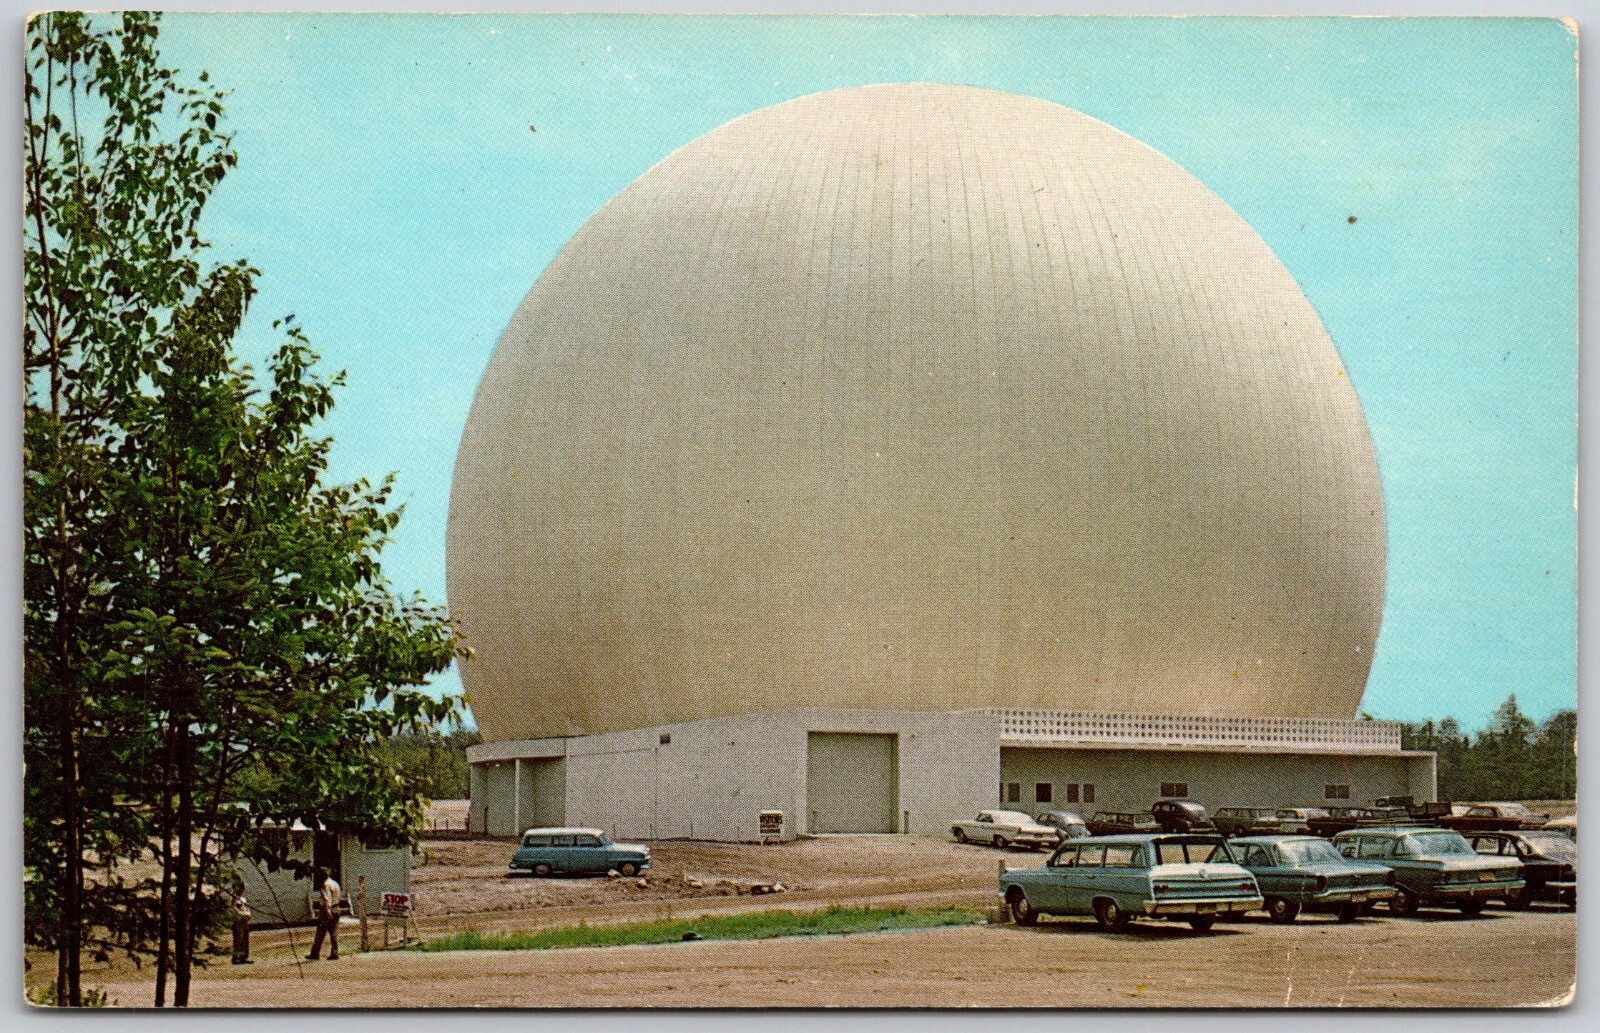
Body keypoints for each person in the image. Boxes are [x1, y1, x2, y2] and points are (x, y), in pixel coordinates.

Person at [305, 868, 342, 961]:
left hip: (327, 910)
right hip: (336, 907)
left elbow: (327, 899)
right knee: (334, 932)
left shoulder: (325, 885)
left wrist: (328, 910)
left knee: (320, 933)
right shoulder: (335, 883)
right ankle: (335, 953)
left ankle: (314, 953)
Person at [230, 888, 253, 965]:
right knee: (238, 939)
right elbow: (233, 908)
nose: (242, 891)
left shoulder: (243, 899)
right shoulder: (233, 899)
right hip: (238, 921)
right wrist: (242, 914)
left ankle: (244, 957)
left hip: (245, 921)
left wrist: (248, 914)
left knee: (245, 939)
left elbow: (247, 908)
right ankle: (236, 958)